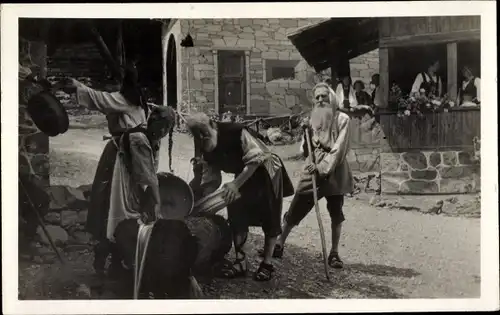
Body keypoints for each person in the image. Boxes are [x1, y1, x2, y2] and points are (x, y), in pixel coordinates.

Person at [61, 63, 155, 276]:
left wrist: (76, 85)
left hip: (120, 157)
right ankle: (114, 258)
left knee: (109, 202)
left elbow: (97, 98)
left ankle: (108, 258)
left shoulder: (123, 100)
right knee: (127, 202)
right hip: (133, 156)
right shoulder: (140, 103)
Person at [185, 112, 295, 281]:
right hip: (243, 173)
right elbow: (212, 179)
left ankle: (267, 263)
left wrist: (236, 184)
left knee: (269, 215)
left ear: (213, 125)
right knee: (236, 212)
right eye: (198, 135)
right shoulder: (204, 147)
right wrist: (205, 203)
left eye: (204, 132)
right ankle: (241, 262)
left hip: (265, 170)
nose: (202, 137)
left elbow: (256, 159)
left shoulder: (236, 132)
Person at [269, 82, 354, 269]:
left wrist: (322, 167)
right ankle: (279, 244)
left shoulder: (343, 119)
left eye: (324, 96)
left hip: (334, 169)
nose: (321, 100)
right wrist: (305, 132)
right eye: (317, 97)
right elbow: (305, 150)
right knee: (298, 204)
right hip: (312, 167)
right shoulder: (313, 119)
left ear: (331, 98)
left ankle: (334, 253)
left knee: (336, 212)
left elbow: (339, 149)